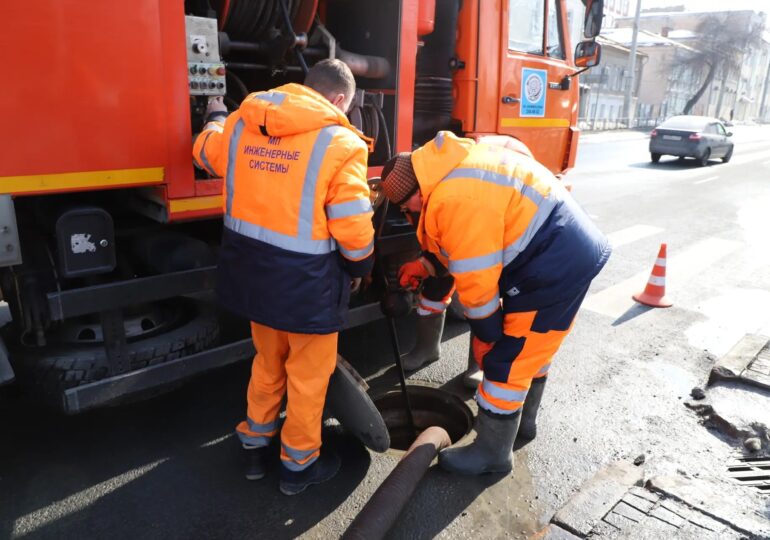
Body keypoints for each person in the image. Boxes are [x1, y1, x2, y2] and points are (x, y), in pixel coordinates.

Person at [379, 131, 610, 475]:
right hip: (558, 254)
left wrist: (487, 335)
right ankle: (524, 425)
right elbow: (463, 245)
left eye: (405, 206)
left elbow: (477, 283)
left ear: (416, 193)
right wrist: (426, 264)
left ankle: (492, 453)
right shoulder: (451, 166)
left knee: (507, 360)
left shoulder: (452, 198)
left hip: (552, 267)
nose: (407, 212)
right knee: (534, 349)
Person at [192, 59, 375, 494]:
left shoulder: (241, 123)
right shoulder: (341, 143)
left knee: (267, 365)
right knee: (308, 380)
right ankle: (298, 467)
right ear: (337, 100)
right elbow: (352, 225)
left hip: (253, 278)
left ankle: (254, 448)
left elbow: (204, 151)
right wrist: (360, 267)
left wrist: (216, 114)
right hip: (307, 288)